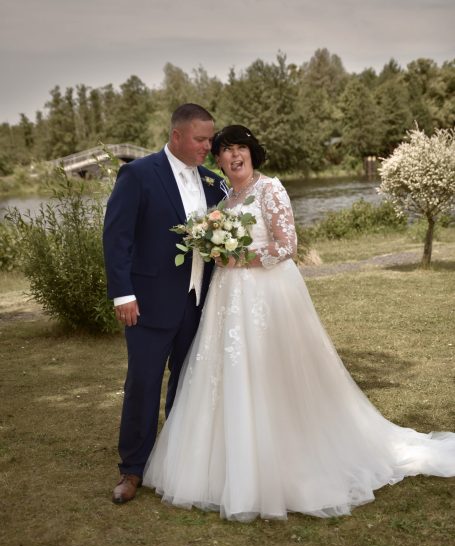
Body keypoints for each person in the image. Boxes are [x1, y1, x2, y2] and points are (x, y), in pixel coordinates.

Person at [142, 125, 455, 520]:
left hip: (266, 295)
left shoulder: (270, 188)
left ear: (252, 153)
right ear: (218, 160)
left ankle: (284, 460)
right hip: (226, 297)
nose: (233, 155)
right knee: (225, 374)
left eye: (240, 148)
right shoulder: (225, 196)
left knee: (274, 373)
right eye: (225, 150)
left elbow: (287, 245)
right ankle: (224, 465)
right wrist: (216, 249)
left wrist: (241, 258)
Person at [103, 104, 225, 504]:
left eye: (210, 139)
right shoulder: (138, 175)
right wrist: (123, 293)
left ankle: (175, 462)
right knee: (143, 384)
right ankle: (132, 469)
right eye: (201, 140)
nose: (208, 146)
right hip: (148, 303)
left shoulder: (210, 182)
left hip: (198, 302)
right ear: (176, 136)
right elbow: (117, 237)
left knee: (187, 383)